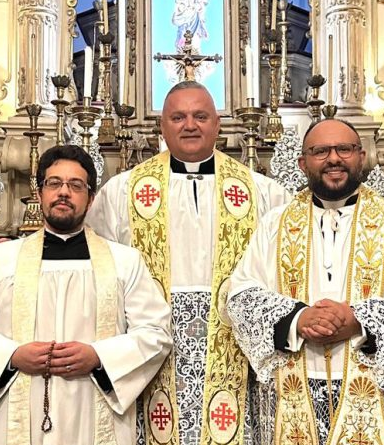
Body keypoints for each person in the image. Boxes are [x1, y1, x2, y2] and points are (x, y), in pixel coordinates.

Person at [226, 119, 384, 445]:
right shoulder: (274, 223)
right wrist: (298, 319)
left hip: (381, 387)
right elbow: (241, 295)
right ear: (303, 163)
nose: (334, 158)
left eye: (344, 149)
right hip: (297, 383)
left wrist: (359, 322)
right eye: (320, 151)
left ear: (361, 157)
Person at [88, 81, 290, 445]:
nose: (189, 125)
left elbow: (288, 264)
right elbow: (93, 259)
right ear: (162, 127)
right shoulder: (122, 191)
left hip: (232, 339)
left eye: (200, 116)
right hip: (152, 338)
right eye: (178, 117)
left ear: (218, 125)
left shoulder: (263, 192)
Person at [0, 145, 173, 445]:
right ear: (39, 193)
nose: (64, 192)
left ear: (91, 198)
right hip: (15, 410)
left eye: (76, 185)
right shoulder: (1, 259)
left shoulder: (125, 262)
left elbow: (155, 333)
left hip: (92, 406)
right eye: (54, 183)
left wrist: (99, 357)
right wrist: (12, 356)